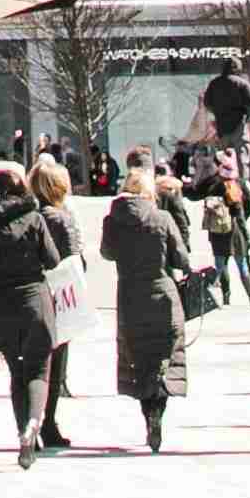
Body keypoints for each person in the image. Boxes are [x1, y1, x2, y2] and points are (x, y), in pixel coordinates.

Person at [0, 155, 86, 465]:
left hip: (3, 303)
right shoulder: (34, 219)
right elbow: (51, 259)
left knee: (16, 373)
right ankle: (34, 424)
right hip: (35, 300)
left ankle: (22, 428)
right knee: (38, 371)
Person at [96, 152, 205, 449]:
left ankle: (149, 418)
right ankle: (159, 410)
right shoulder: (162, 217)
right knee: (165, 357)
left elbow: (107, 253)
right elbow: (181, 259)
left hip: (131, 297)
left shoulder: (112, 220)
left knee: (139, 358)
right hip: (163, 296)